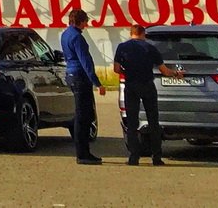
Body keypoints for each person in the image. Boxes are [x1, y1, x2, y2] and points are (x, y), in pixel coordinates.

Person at [111, 23, 184, 166]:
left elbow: (116, 68)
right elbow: (164, 70)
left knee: (132, 123)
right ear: (143, 34)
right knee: (153, 122)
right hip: (147, 86)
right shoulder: (151, 48)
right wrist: (176, 74)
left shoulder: (122, 47)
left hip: (131, 86)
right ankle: (156, 157)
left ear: (131, 33)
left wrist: (128, 73)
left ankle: (134, 158)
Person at [60, 9, 106, 164]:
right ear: (80, 21)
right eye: (85, 21)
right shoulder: (77, 38)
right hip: (80, 76)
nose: (87, 24)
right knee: (84, 116)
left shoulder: (65, 34)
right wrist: (97, 82)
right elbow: (85, 61)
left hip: (71, 74)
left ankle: (83, 152)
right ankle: (83, 153)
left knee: (81, 114)